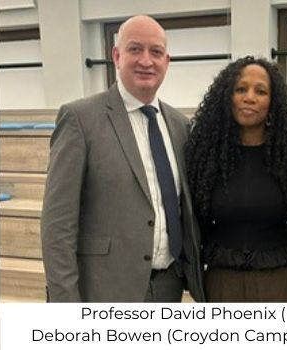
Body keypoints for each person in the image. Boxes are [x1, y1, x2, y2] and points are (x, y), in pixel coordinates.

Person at [40, 15, 205, 302]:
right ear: (116, 55)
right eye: (135, 49)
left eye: (155, 52)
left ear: (167, 61)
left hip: (169, 286)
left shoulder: (180, 126)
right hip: (104, 290)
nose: (146, 61)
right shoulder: (80, 119)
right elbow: (58, 225)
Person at [185, 57, 287, 302]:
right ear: (226, 96)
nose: (249, 97)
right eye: (240, 89)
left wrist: (280, 251)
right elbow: (195, 218)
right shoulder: (206, 154)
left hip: (277, 279)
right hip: (221, 279)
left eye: (261, 91)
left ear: (272, 101)